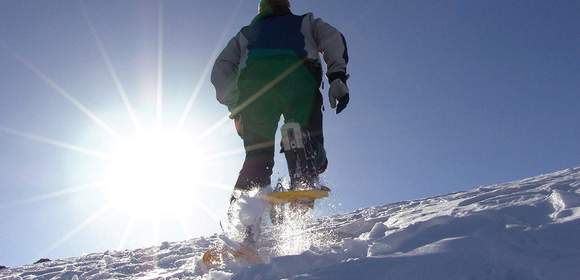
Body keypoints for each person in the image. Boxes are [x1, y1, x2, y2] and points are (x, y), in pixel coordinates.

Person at [210, 0, 350, 245]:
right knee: (307, 131)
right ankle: (302, 160)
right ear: (286, 5)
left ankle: (242, 227)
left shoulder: (246, 34)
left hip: (255, 89)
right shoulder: (305, 22)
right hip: (299, 77)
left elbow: (221, 68)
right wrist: (337, 75)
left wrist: (237, 103)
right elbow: (333, 38)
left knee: (257, 158)